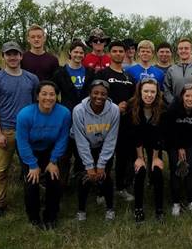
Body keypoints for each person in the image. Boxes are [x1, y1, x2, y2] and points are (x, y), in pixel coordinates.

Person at [0, 41, 39, 218]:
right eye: (9, 54)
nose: (13, 57)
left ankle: (31, 203)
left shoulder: (32, 79)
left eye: (16, 54)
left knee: (30, 169)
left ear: (21, 56)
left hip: (27, 131)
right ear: (3, 57)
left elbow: (36, 106)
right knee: (1, 171)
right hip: (6, 131)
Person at [16, 81, 71, 229]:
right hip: (29, 149)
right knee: (32, 182)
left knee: (54, 180)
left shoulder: (64, 113)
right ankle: (34, 217)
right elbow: (22, 142)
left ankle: (51, 216)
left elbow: (62, 138)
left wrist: (53, 161)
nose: (48, 98)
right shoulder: (25, 114)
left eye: (52, 94)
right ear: (37, 96)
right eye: (44, 94)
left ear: (56, 96)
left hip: (49, 149)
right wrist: (32, 165)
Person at [72, 80, 120, 221]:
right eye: (96, 93)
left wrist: (100, 164)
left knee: (104, 176)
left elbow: (111, 138)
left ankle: (109, 208)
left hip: (103, 145)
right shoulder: (78, 110)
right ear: (89, 94)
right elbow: (80, 140)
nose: (99, 96)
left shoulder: (114, 110)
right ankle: (81, 210)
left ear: (107, 95)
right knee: (85, 177)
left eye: (103, 94)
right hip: (84, 144)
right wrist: (89, 165)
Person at [96, 40, 136, 202]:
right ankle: (101, 191)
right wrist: (113, 106)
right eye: (115, 51)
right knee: (105, 157)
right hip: (106, 121)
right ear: (110, 53)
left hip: (125, 123)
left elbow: (135, 97)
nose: (118, 53)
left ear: (125, 53)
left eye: (121, 51)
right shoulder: (102, 75)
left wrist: (129, 103)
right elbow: (95, 97)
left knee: (123, 156)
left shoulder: (129, 76)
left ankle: (120, 187)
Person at [52, 39, 95, 187]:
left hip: (84, 118)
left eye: (81, 52)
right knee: (64, 152)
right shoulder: (60, 72)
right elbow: (53, 94)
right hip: (66, 117)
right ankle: (61, 184)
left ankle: (81, 182)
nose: (78, 54)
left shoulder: (89, 72)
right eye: (75, 51)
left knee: (82, 152)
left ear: (84, 55)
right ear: (70, 53)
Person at [123, 78, 167, 223]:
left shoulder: (162, 107)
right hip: (136, 142)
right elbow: (134, 134)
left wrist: (155, 157)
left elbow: (160, 134)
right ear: (140, 91)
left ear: (157, 93)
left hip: (155, 142)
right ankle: (138, 208)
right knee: (140, 170)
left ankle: (159, 209)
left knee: (157, 171)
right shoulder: (132, 106)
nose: (149, 95)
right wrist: (140, 157)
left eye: (153, 91)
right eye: (146, 91)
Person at [164, 84, 192, 217]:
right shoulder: (173, 109)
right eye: (187, 95)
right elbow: (169, 131)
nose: (190, 98)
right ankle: (176, 202)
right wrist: (179, 147)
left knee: (190, 169)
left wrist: (187, 148)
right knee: (176, 169)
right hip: (174, 142)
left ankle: (191, 201)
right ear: (182, 96)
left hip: (191, 143)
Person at [163, 37, 192, 104]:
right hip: (176, 108)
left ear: (191, 51)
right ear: (177, 51)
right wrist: (172, 102)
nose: (183, 51)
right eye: (180, 49)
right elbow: (166, 89)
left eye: (186, 48)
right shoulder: (171, 70)